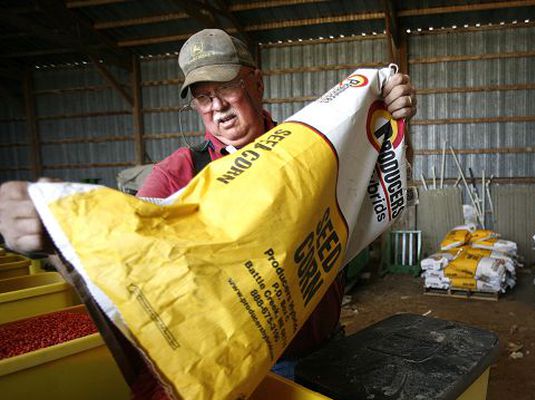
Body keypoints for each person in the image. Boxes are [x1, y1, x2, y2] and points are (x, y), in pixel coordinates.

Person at [0, 29, 417, 376]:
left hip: (327, 349)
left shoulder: (311, 148)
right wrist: (55, 230)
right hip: (245, 375)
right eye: (202, 96)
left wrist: (388, 110)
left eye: (227, 87)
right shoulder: (178, 175)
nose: (217, 107)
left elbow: (369, 180)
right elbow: (130, 250)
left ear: (256, 81)